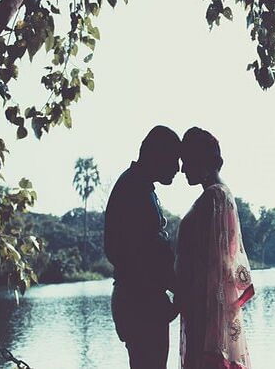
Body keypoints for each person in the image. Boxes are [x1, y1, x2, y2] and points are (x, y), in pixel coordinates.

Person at [175, 127, 255, 369]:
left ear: (201, 161)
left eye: (186, 161)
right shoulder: (220, 196)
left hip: (204, 308)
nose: (182, 169)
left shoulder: (213, 199)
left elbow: (207, 263)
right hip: (205, 306)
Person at [104, 125, 181, 369]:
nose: (178, 168)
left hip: (140, 301)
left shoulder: (138, 185)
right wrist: (174, 289)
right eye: (174, 159)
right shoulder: (134, 189)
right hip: (140, 305)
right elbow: (133, 253)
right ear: (158, 156)